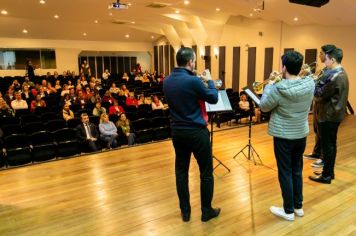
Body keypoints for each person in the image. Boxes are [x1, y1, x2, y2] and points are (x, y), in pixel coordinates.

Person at [163, 47, 220, 222]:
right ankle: (206, 211)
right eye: (194, 61)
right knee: (206, 173)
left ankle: (185, 212)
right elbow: (213, 97)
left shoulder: (166, 81)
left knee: (181, 172)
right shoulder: (193, 81)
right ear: (190, 62)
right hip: (196, 132)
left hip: (178, 132)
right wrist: (209, 81)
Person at [259, 51, 315, 221]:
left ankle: (288, 210)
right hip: (300, 134)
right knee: (296, 170)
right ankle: (298, 207)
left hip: (283, 136)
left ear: (284, 67)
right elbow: (296, 83)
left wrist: (270, 83)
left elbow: (264, 107)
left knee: (285, 172)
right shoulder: (309, 84)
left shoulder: (278, 88)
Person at [309, 47, 349, 184]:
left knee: (328, 147)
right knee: (330, 145)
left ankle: (326, 176)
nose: (324, 63)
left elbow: (319, 93)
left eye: (325, 59)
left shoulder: (335, 77)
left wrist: (312, 83)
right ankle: (328, 173)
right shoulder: (341, 73)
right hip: (333, 115)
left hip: (329, 115)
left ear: (332, 59)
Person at [303, 45, 337, 168]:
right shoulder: (325, 69)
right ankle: (317, 153)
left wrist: (308, 76)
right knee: (317, 131)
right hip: (318, 104)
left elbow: (319, 86)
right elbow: (317, 80)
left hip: (324, 106)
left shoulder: (332, 72)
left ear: (329, 56)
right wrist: (310, 75)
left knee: (324, 134)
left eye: (321, 53)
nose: (319, 55)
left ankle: (323, 158)